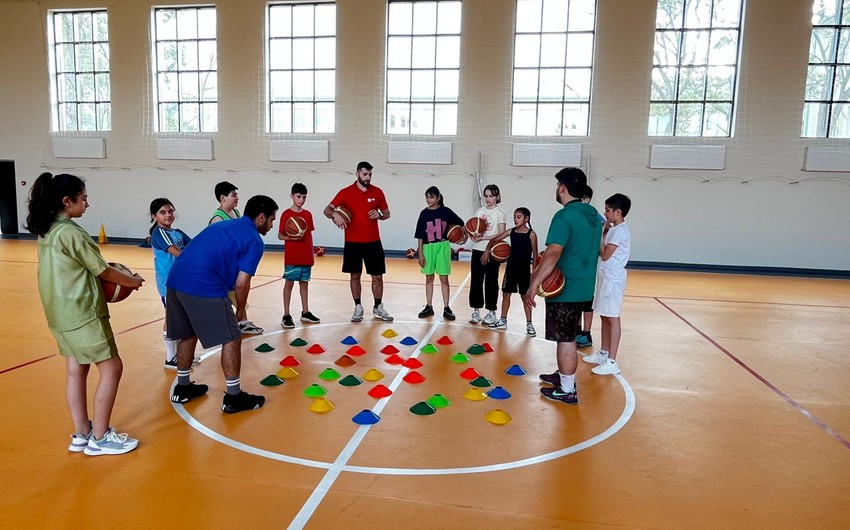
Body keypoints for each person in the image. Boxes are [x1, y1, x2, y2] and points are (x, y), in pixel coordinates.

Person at [26, 172, 144, 456]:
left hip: (59, 313)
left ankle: (81, 433)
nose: (87, 204)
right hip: (82, 312)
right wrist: (133, 281)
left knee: (75, 371)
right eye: (84, 198)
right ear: (68, 201)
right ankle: (101, 437)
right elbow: (102, 270)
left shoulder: (49, 230)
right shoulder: (71, 232)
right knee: (112, 368)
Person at [166, 195, 278, 414]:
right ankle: (234, 398)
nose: (272, 225)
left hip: (176, 281)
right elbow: (242, 283)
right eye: (272, 220)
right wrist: (241, 312)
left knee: (188, 334)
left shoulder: (225, 224)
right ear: (261, 217)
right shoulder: (254, 240)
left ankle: (183, 387)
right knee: (233, 337)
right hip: (203, 286)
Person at [524, 167, 602, 405]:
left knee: (565, 338)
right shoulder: (594, 216)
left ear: (563, 188)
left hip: (565, 289)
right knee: (569, 334)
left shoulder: (565, 216)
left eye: (557, 184)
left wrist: (533, 284)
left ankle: (568, 389)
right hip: (585, 286)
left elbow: (553, 253)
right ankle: (563, 376)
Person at [323, 161, 393, 322]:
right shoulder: (345, 192)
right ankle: (358, 307)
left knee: (378, 276)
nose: (367, 177)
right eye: (364, 174)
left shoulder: (378, 192)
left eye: (370, 174)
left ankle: (378, 307)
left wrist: (380, 215)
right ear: (357, 173)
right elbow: (327, 210)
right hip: (352, 242)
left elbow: (387, 213)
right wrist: (335, 215)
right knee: (355, 275)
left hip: (373, 241)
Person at [582, 193, 632, 375]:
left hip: (613, 280)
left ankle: (612, 361)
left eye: (608, 210)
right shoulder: (613, 229)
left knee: (613, 317)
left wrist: (599, 233)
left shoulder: (620, 231)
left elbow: (604, 254)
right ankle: (604, 352)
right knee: (604, 315)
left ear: (618, 212)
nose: (605, 213)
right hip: (605, 277)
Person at [149, 198, 199, 369]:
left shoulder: (176, 232)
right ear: (154, 216)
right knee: (170, 318)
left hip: (181, 281)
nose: (168, 215)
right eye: (162, 212)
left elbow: (194, 246)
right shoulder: (159, 233)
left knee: (180, 317)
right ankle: (171, 357)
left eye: (170, 211)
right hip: (168, 284)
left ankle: (181, 355)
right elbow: (179, 253)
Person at [208, 181, 263, 335]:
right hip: (223, 265)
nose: (237, 198)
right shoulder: (217, 219)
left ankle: (242, 322)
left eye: (237, 194)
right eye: (233, 195)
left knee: (239, 293)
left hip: (235, 262)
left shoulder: (236, 214)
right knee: (224, 297)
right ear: (222, 198)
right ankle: (227, 326)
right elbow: (216, 246)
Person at [413, 186, 465, 320]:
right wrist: (420, 254)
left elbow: (461, 223)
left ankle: (447, 307)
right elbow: (419, 235)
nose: (428, 200)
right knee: (429, 277)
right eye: (427, 197)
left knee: (444, 278)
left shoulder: (446, 211)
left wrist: (462, 237)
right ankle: (429, 306)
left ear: (438, 198)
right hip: (427, 247)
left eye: (431, 197)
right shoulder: (423, 213)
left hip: (442, 246)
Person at [485, 207, 538, 336]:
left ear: (526, 218)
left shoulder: (531, 234)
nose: (515, 219)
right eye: (514, 217)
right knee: (506, 295)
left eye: (518, 217)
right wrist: (487, 250)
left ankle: (529, 324)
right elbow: (494, 240)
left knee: (525, 297)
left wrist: (535, 273)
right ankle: (503, 321)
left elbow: (535, 255)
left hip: (524, 270)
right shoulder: (511, 232)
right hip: (511, 269)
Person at [277, 183, 320, 329]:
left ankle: (305, 312)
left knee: (304, 284)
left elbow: (308, 235)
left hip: (306, 255)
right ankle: (286, 314)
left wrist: (312, 253)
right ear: (292, 196)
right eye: (299, 196)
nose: (301, 200)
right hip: (292, 257)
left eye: (304, 197)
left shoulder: (307, 215)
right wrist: (292, 237)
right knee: (289, 283)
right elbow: (280, 235)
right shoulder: (286, 214)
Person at [468, 184, 507, 325]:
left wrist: (485, 241)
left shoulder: (499, 213)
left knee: (491, 282)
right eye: (486, 196)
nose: (488, 199)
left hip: (492, 252)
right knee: (476, 281)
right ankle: (476, 311)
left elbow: (501, 234)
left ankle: (491, 312)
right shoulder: (479, 211)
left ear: (497, 197)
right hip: (477, 250)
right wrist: (473, 236)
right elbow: (474, 229)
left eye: (491, 196)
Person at [575, 185, 607, 349]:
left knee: (587, 300)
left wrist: (600, 235)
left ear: (586, 199)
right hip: (577, 262)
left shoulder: (593, 214)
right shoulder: (577, 214)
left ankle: (586, 334)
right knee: (577, 299)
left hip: (589, 263)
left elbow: (605, 224)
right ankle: (578, 330)